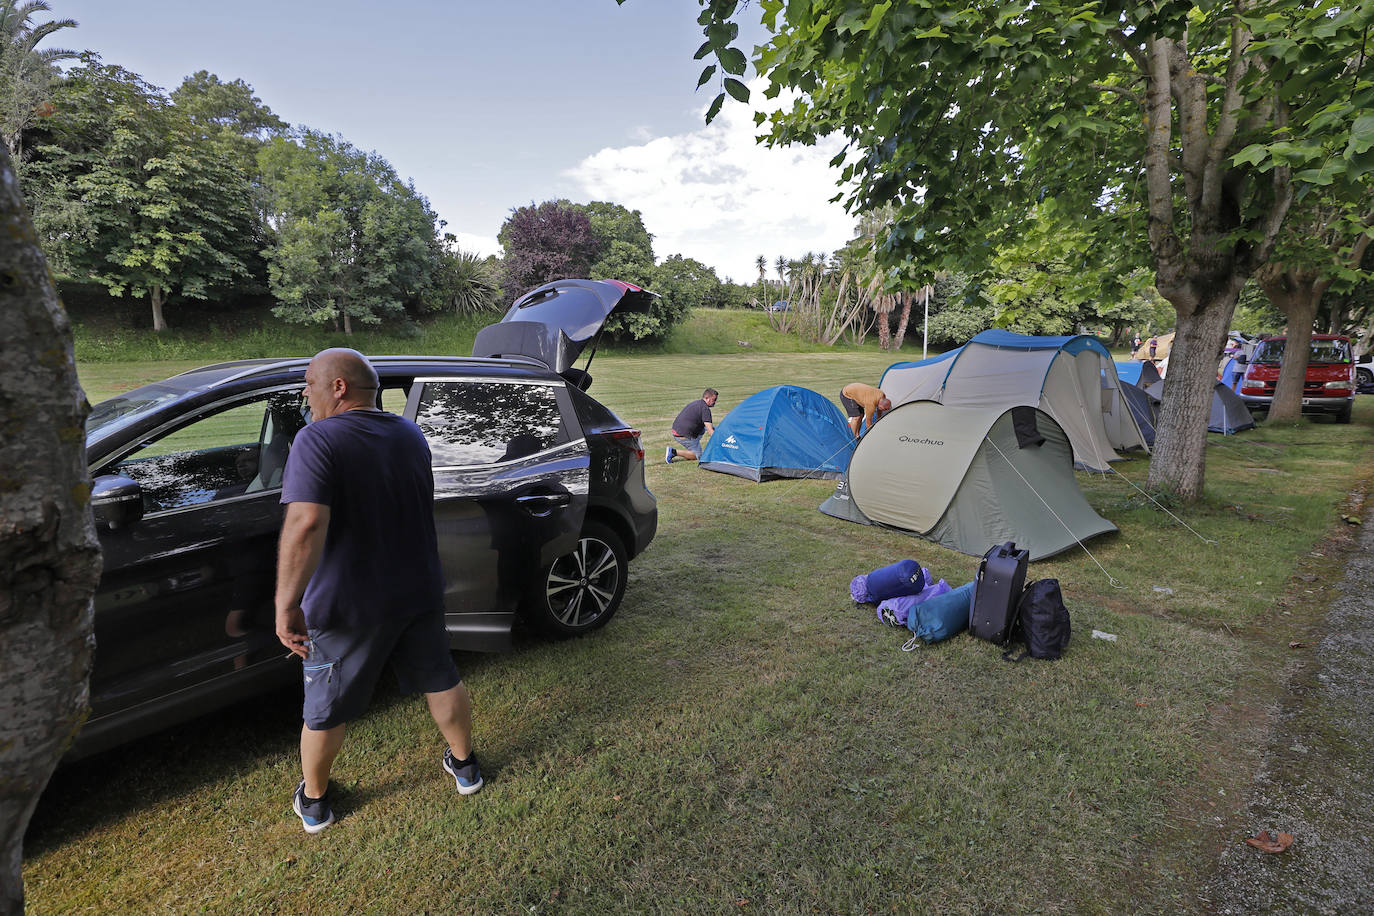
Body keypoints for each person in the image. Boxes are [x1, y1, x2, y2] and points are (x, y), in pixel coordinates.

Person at [275, 348, 481, 834]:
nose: (306, 394)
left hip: (348, 603)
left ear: (339, 387)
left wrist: (286, 604)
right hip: (418, 588)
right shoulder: (410, 433)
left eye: (309, 383)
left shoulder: (316, 439)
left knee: (325, 706)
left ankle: (316, 800)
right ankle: (466, 765)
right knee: (440, 677)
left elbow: (306, 524)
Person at [666, 388, 718, 463]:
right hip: (682, 434)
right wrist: (720, 441)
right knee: (699, 455)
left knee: (707, 428)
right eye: (714, 399)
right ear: (707, 398)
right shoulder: (705, 409)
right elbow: (710, 432)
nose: (715, 402)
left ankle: (694, 445)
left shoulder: (697, 403)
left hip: (677, 429)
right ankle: (673, 452)